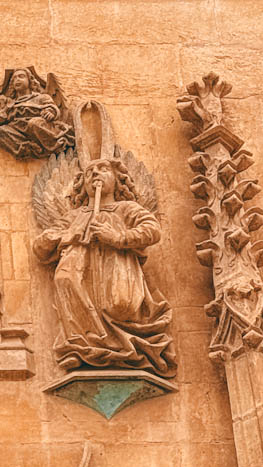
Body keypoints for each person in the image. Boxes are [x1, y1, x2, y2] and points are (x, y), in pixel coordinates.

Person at [33, 154, 176, 379]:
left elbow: (152, 229)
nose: (95, 174)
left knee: (120, 304)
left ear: (118, 180)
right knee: (64, 279)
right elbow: (41, 246)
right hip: (79, 270)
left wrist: (118, 237)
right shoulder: (75, 215)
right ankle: (81, 345)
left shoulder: (126, 208)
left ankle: (122, 344)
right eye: (89, 173)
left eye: (103, 169)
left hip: (115, 266)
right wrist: (69, 235)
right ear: (82, 185)